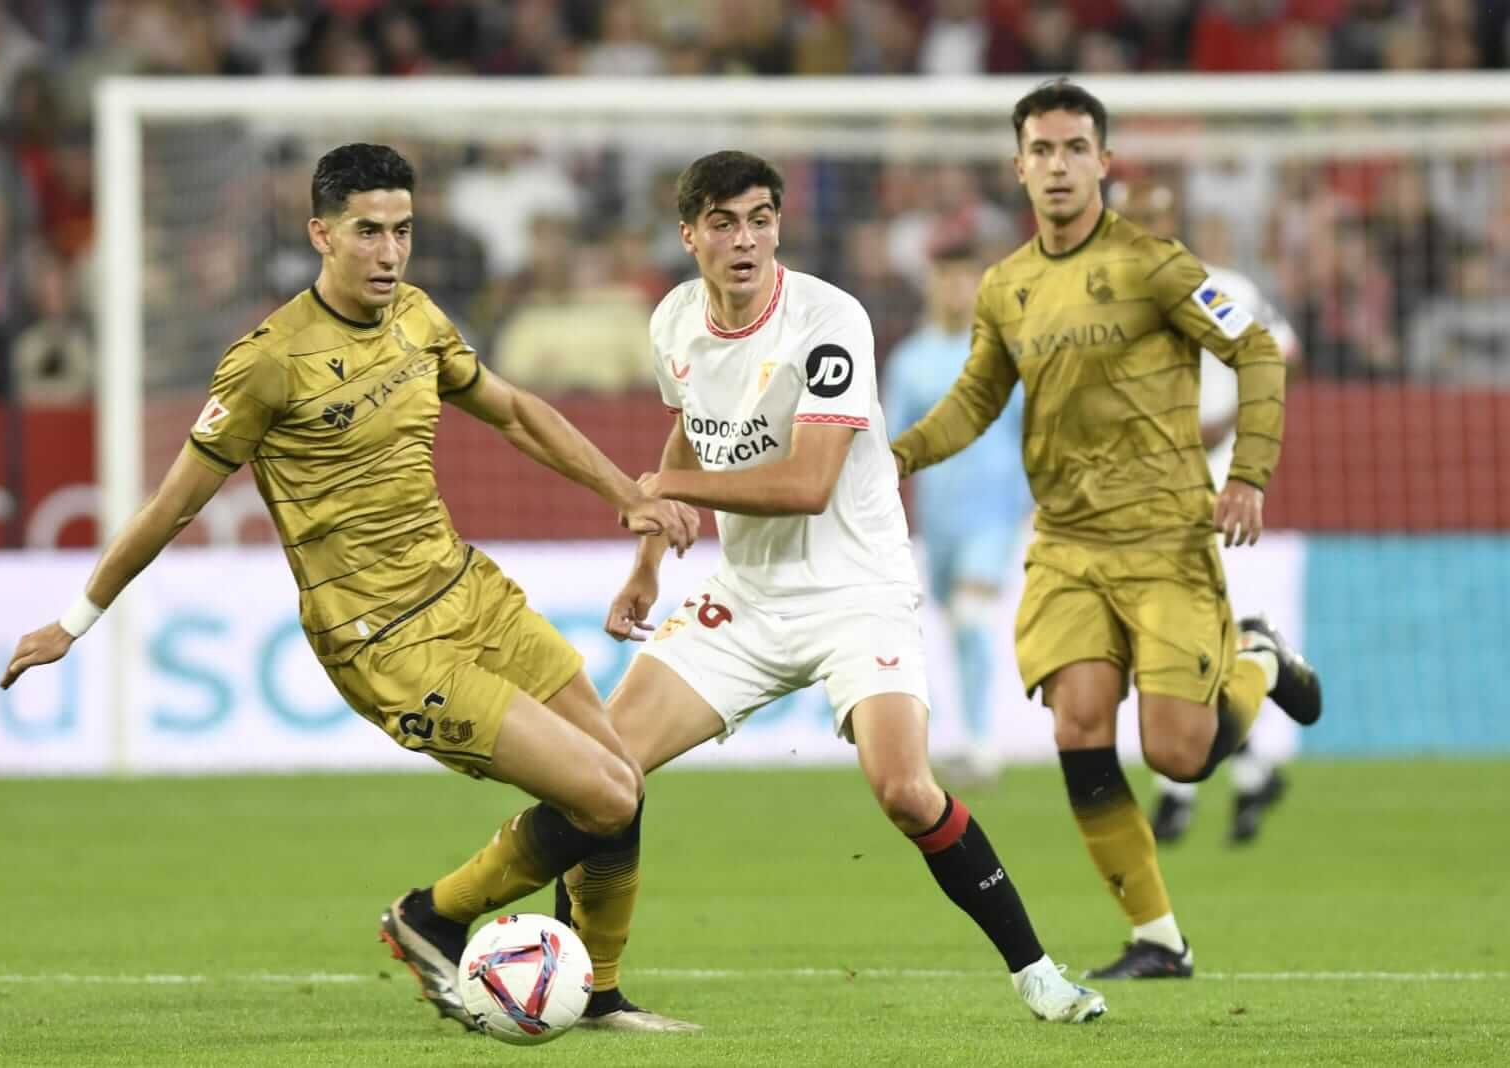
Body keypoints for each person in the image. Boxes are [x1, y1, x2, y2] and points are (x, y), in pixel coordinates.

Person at [0, 143, 697, 1031]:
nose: (389, 252)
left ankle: (596, 995)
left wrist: (628, 495)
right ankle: (431, 916)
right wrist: (74, 620)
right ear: (321, 234)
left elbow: (516, 412)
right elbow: (172, 507)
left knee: (619, 781)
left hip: (470, 591)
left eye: (402, 231)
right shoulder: (269, 362)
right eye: (368, 232)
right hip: (385, 641)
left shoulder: (418, 320)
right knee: (600, 796)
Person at [562, 149, 1108, 1025]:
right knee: (597, 772)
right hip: (746, 596)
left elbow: (806, 483)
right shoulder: (672, 321)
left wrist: (662, 492)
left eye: (762, 219)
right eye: (725, 223)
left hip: (858, 590)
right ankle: (587, 992)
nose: (746, 240)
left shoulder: (827, 319)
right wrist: (648, 562)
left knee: (904, 789)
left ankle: (1036, 972)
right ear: (689, 235)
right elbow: (691, 436)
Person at [889, 80, 1323, 980]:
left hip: (1165, 537)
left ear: (1103, 162)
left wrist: (1246, 474)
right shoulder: (1005, 288)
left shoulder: (1157, 266)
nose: (1057, 165)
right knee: (1078, 725)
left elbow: (1257, 351)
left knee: (1179, 752)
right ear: (1018, 166)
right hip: (1067, 545)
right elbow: (974, 401)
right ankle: (1158, 938)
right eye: (1041, 150)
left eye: (1074, 148)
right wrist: (897, 456)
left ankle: (1261, 660)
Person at [1110, 179, 1306, 846]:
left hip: (1213, 483)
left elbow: (1280, 353)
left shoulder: (1213, 289)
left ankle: (1177, 792)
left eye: (1153, 216)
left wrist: (1229, 424)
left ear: (1172, 219)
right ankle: (1248, 767)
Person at [885, 240, 1032, 787]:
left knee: (972, 615)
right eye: (947, 278)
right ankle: (968, 735)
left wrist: (1039, 503)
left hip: (995, 514)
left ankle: (982, 745)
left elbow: (1036, 430)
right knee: (953, 624)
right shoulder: (910, 361)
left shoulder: (1005, 354)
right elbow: (890, 445)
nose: (957, 290)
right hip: (938, 521)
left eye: (967, 279)